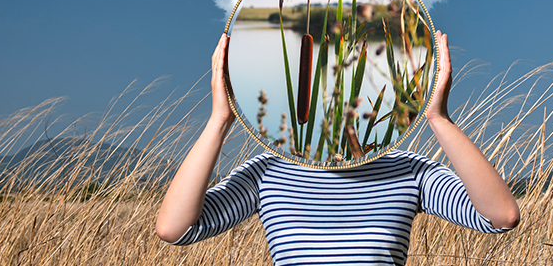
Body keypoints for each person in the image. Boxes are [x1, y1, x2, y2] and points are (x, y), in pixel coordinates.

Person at [156, 31, 520, 265]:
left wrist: (438, 118)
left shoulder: (408, 172)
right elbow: (175, 229)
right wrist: (220, 119)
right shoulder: (268, 173)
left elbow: (500, 217)